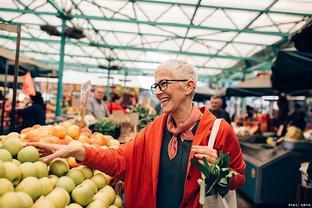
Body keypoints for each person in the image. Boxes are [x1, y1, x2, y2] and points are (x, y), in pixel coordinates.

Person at [28, 60, 246, 208]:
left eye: (164, 84)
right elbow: (121, 160)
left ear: (189, 86)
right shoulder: (154, 128)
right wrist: (81, 150)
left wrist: (219, 168)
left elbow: (239, 177)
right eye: (156, 86)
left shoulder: (219, 130)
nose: (159, 92)